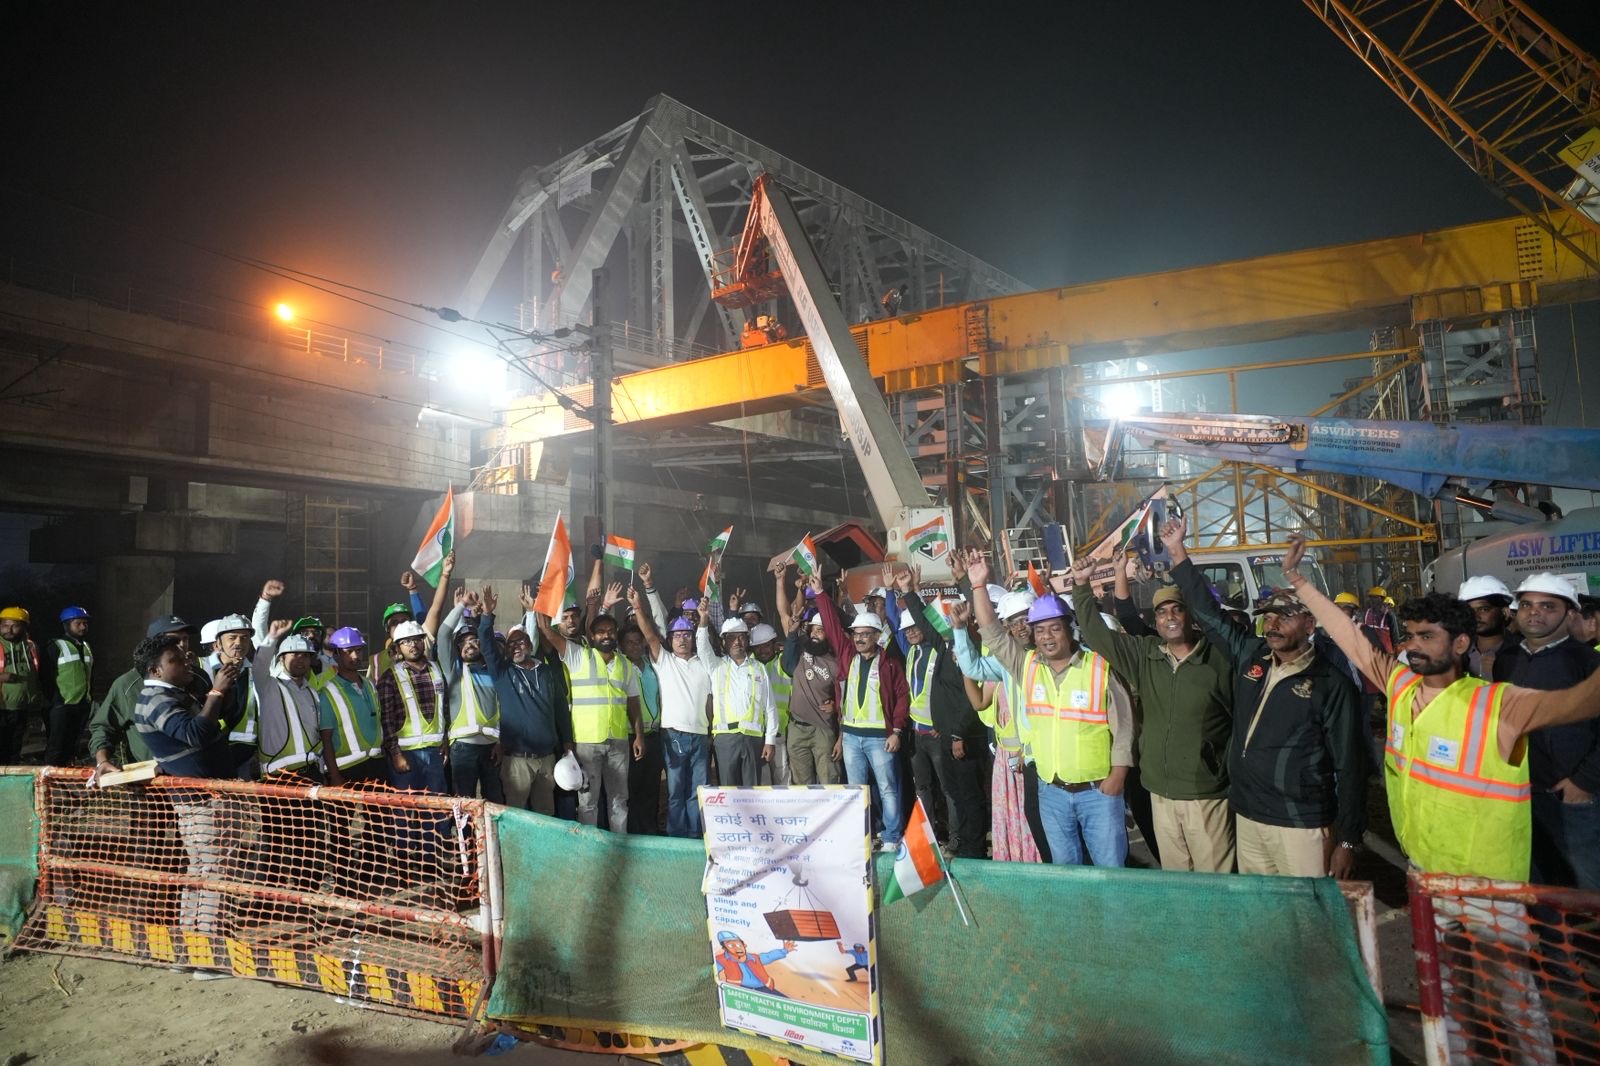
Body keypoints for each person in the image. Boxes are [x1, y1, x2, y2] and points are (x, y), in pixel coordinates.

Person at [1281, 536, 1600, 881]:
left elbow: (1581, 702)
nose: (1413, 646)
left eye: (1427, 637)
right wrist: (1297, 579)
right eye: (1411, 635)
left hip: (1485, 884)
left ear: (1460, 643)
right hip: (1423, 866)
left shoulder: (1497, 703)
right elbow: (1349, 637)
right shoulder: (1401, 686)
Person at [1162, 518, 1366, 877]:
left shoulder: (1329, 683)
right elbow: (1209, 616)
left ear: (1310, 624)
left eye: (1284, 617)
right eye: (1268, 617)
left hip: (1300, 824)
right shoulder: (1252, 657)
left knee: (1305, 910)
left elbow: (1350, 765)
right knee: (1265, 909)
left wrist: (1348, 839)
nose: (1272, 625)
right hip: (1249, 816)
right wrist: (1178, 551)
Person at [1069, 564, 1236, 873]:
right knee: (1175, 881)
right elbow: (1096, 634)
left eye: (1177, 609)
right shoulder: (1146, 655)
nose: (1169, 617)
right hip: (1159, 793)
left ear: (1191, 615)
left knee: (1217, 883)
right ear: (1155, 621)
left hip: (1206, 795)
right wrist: (1080, 586)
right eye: (1161, 612)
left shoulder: (1219, 659)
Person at [972, 551, 1134, 868]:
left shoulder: (1098, 667)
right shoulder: (1028, 666)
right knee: (1065, 871)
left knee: (1111, 871)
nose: (1047, 636)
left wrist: (1118, 775)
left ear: (1069, 629)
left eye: (1055, 628)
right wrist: (978, 585)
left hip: (1098, 793)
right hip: (1052, 792)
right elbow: (992, 633)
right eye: (1040, 630)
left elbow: (1125, 726)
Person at [1490, 573, 1600, 889]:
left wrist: (1584, 782)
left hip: (1570, 796)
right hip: (1519, 793)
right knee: (1536, 881)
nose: (1534, 612)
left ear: (1570, 614)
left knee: (1587, 882)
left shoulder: (1588, 662)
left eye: (1548, 606)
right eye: (1527, 605)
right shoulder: (1506, 659)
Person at [132, 633, 240, 946]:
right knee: (215, 871)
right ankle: (207, 949)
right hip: (202, 801)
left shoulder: (173, 693)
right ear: (155, 670)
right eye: (175, 660)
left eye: (184, 657)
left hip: (205, 796)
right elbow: (195, 733)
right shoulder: (156, 700)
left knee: (202, 870)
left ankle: (191, 942)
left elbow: (213, 719)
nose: (185, 663)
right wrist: (216, 690)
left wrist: (218, 689)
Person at [891, 565, 988, 859]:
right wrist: (907, 591)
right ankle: (966, 846)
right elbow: (923, 621)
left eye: (957, 619)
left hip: (963, 737)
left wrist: (957, 734)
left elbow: (971, 699)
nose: (948, 623)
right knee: (956, 792)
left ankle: (972, 850)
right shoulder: (946, 646)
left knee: (968, 796)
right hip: (944, 735)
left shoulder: (971, 649)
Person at [811, 572, 909, 851]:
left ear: (877, 636)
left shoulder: (890, 664)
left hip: (880, 737)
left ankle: (891, 836)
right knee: (857, 791)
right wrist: (820, 593)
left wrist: (897, 731)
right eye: (857, 634)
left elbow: (902, 698)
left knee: (888, 788)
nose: (860, 639)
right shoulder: (848, 657)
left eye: (866, 634)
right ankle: (862, 835)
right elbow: (832, 625)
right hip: (852, 737)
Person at [952, 586, 1047, 863]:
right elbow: (974, 669)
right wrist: (959, 629)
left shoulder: (1055, 659)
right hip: (1023, 757)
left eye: (1025, 619)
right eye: (1013, 622)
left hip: (1046, 758)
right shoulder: (1007, 662)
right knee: (1033, 819)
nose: (1021, 627)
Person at [537, 605, 642, 832]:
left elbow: (633, 703)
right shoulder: (579, 656)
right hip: (587, 743)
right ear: (592, 636)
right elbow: (547, 630)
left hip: (618, 741)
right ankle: (590, 848)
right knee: (587, 801)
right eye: (601, 632)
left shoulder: (626, 665)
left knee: (619, 800)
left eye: (611, 631)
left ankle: (619, 845)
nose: (606, 635)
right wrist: (541, 604)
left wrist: (639, 736)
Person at [626, 584, 711, 837]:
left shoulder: (705, 664)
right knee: (675, 791)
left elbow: (709, 701)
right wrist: (637, 606)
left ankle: (694, 836)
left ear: (693, 638)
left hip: (700, 736)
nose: (682, 639)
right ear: (670, 639)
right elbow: (650, 635)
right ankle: (676, 838)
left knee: (697, 791)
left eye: (686, 635)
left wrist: (710, 731)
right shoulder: (664, 661)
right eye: (677, 635)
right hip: (673, 735)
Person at [482, 584, 571, 815]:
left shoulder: (547, 672)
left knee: (545, 815)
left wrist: (568, 743)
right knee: (516, 815)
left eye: (520, 642)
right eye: (510, 644)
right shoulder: (503, 673)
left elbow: (561, 710)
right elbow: (487, 646)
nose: (515, 647)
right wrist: (487, 615)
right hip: (516, 761)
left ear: (530, 645)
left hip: (547, 759)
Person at [90, 615, 212, 780]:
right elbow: (104, 727)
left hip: (201, 776)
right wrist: (102, 761)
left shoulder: (198, 676)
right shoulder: (128, 685)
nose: (182, 645)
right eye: (174, 640)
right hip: (153, 782)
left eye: (185, 639)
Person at [697, 605, 778, 788]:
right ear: (724, 641)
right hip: (726, 739)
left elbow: (770, 707)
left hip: (754, 739)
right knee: (729, 791)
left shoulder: (759, 668)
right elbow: (702, 647)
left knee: (752, 792)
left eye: (741, 637)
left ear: (747, 640)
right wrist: (703, 620)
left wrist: (770, 740)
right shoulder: (716, 666)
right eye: (731, 637)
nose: (737, 642)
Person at [775, 565, 842, 785]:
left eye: (820, 631)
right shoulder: (799, 651)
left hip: (823, 729)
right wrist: (783, 582)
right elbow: (786, 615)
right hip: (796, 728)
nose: (815, 634)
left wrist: (836, 707)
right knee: (801, 785)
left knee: (828, 781)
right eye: (813, 630)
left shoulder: (835, 662)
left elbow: (846, 698)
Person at [438, 594, 504, 803]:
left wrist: (500, 742)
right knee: (464, 803)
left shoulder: (493, 673)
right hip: (463, 748)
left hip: (492, 747)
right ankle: (465, 830)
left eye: (474, 640)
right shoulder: (453, 671)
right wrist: (461, 605)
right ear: (457, 649)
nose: (468, 645)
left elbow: (502, 709)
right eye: (463, 642)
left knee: (494, 802)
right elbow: (443, 634)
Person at [375, 621, 447, 793]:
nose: (412, 645)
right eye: (406, 641)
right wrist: (395, 754)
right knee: (405, 806)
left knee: (436, 805)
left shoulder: (437, 670)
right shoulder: (390, 677)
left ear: (423, 642)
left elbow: (444, 709)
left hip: (435, 753)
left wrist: (445, 740)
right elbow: (386, 719)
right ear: (398, 648)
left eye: (416, 639)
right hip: (406, 754)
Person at [251, 621, 327, 780]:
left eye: (305, 655)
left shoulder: (312, 693)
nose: (300, 659)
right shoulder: (268, 686)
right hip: (278, 777)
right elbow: (259, 665)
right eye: (295, 654)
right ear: (281, 659)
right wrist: (272, 638)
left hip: (311, 774)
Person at [317, 627, 387, 786]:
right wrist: (334, 776)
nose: (355, 656)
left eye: (358, 650)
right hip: (347, 769)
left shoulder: (369, 684)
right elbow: (326, 739)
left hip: (377, 764)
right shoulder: (328, 691)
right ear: (336, 654)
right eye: (348, 652)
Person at [41, 606, 93, 766]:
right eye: (78, 623)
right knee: (56, 747)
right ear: (66, 625)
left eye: (85, 623)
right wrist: (54, 701)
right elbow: (45, 676)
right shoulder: (55, 646)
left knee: (72, 746)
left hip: (82, 704)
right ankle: (49, 778)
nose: (83, 627)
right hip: (61, 705)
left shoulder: (86, 646)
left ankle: (67, 777)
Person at [0, 606, 45, 763]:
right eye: (5, 625)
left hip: (22, 706)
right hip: (2, 706)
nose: (9, 630)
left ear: (24, 626)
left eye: (15, 626)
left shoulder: (31, 647)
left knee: (15, 746)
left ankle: (11, 774)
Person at [749, 623, 790, 785]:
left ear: (774, 644)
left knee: (783, 778)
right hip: (756, 734)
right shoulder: (749, 665)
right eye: (758, 647)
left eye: (766, 645)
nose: (762, 650)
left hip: (780, 733)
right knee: (762, 783)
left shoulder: (783, 663)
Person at [1458, 575, 1515, 680]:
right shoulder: (1459, 652)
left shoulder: (1522, 652)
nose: (1476, 616)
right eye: (1470, 611)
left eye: (1484, 609)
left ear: (1505, 612)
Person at [714, 931, 796, 996]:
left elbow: (769, 956)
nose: (737, 948)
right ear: (725, 948)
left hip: (763, 988)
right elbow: (713, 970)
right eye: (731, 946)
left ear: (744, 945)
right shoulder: (722, 960)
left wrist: (785, 950)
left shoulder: (754, 958)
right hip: (741, 990)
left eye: (739, 944)